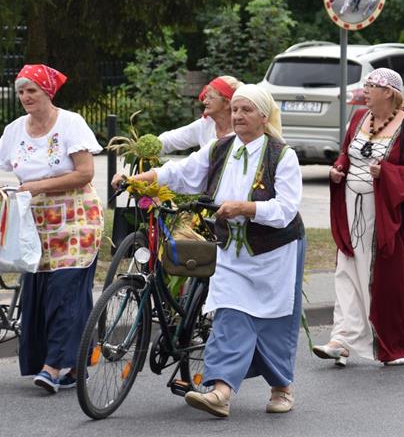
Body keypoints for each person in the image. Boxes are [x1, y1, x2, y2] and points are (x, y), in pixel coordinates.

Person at [125, 84, 305, 418]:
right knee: (229, 314)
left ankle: (281, 387)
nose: (237, 116)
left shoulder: (282, 155)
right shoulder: (219, 148)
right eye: (235, 110)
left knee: (272, 323)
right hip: (232, 251)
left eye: (246, 110)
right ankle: (220, 392)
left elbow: (286, 209)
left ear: (264, 117)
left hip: (273, 253)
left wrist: (245, 208)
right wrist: (144, 178)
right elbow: (182, 172)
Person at [0, 63, 104, 394]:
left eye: (31, 90)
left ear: (47, 92)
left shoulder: (70, 124)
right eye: (21, 91)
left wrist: (37, 186)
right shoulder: (17, 129)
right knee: (39, 290)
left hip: (76, 217)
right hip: (35, 221)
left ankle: (53, 366)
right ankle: (73, 364)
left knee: (65, 289)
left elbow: (85, 173)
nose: (25, 97)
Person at [313, 68, 404, 366]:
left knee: (379, 279)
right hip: (350, 206)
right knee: (346, 269)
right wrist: (338, 169)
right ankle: (341, 339)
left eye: (370, 86)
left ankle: (389, 345)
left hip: (382, 216)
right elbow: (347, 153)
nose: (364, 90)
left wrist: (389, 173)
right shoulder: (358, 119)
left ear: (388, 92)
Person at [158, 75, 241, 154]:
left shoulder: (243, 132)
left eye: (211, 97)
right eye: (206, 96)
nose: (204, 101)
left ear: (227, 103)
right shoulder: (206, 124)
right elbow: (171, 139)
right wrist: (151, 144)